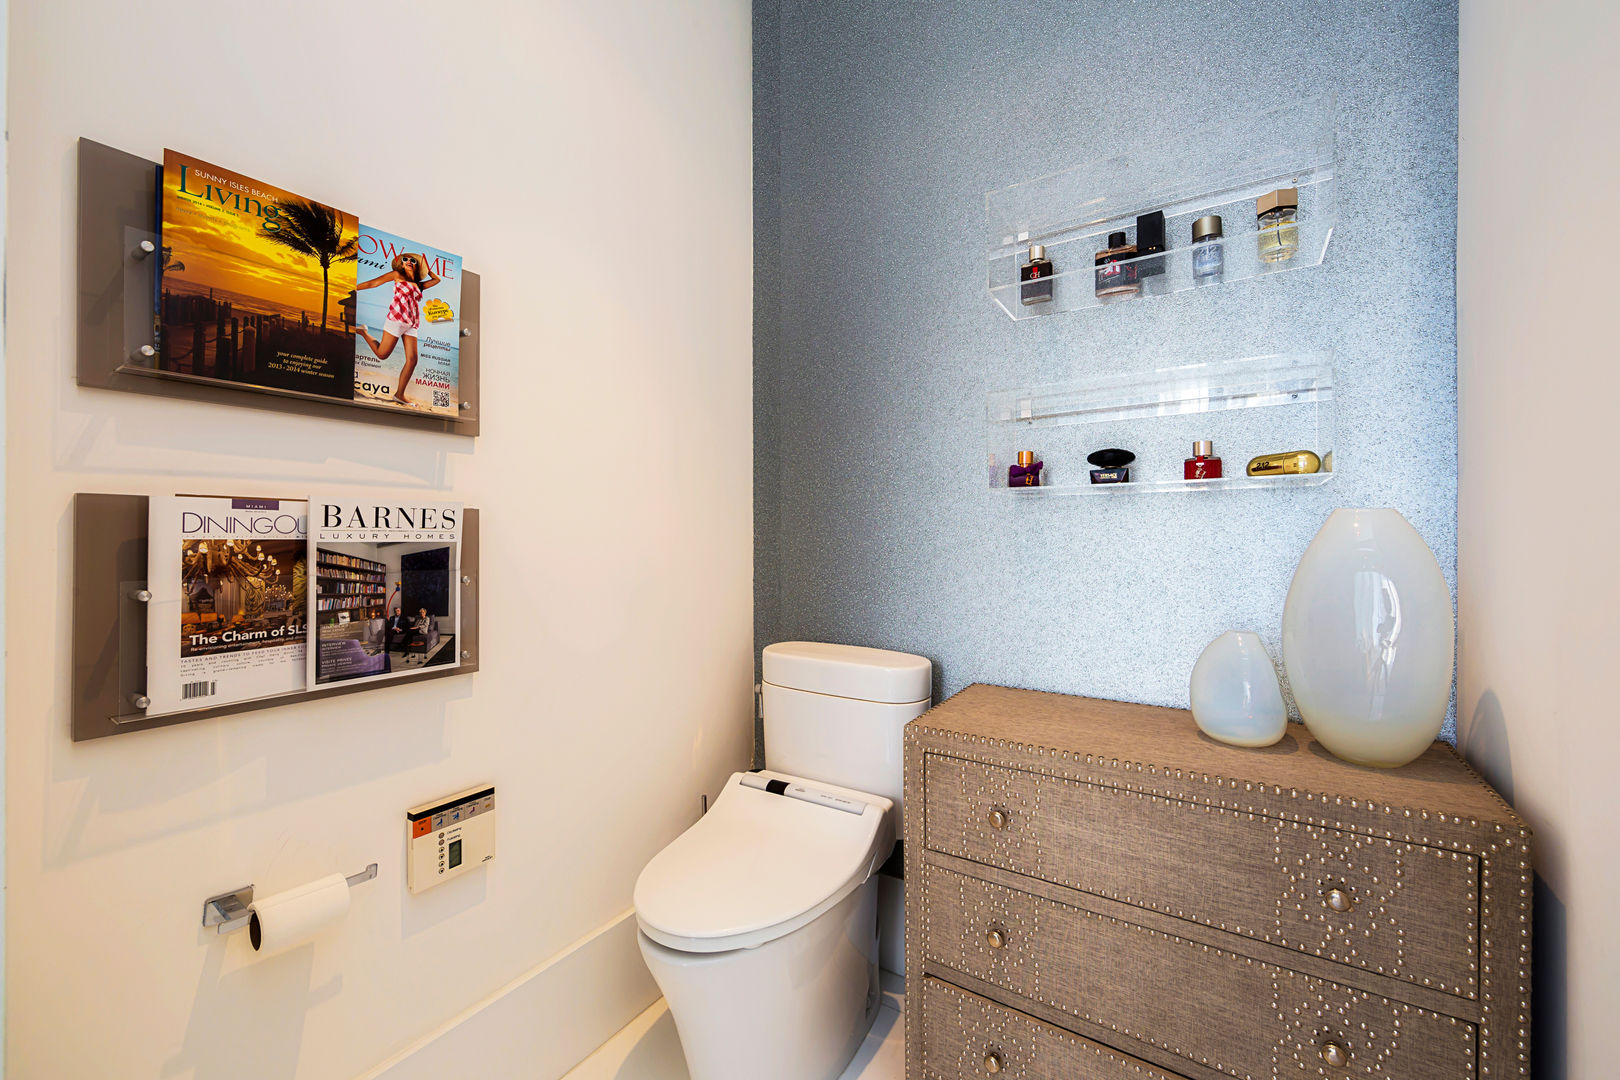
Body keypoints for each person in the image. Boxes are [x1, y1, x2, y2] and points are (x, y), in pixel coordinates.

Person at [352, 252, 441, 407]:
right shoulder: (396, 275)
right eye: (405, 259)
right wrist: (352, 288)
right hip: (396, 319)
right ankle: (363, 332)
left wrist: (427, 270)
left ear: (417, 265)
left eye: (412, 260)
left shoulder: (419, 284)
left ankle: (399, 394)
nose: (408, 261)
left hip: (411, 323)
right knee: (382, 355)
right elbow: (373, 283)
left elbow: (437, 280)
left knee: (412, 360)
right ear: (401, 263)